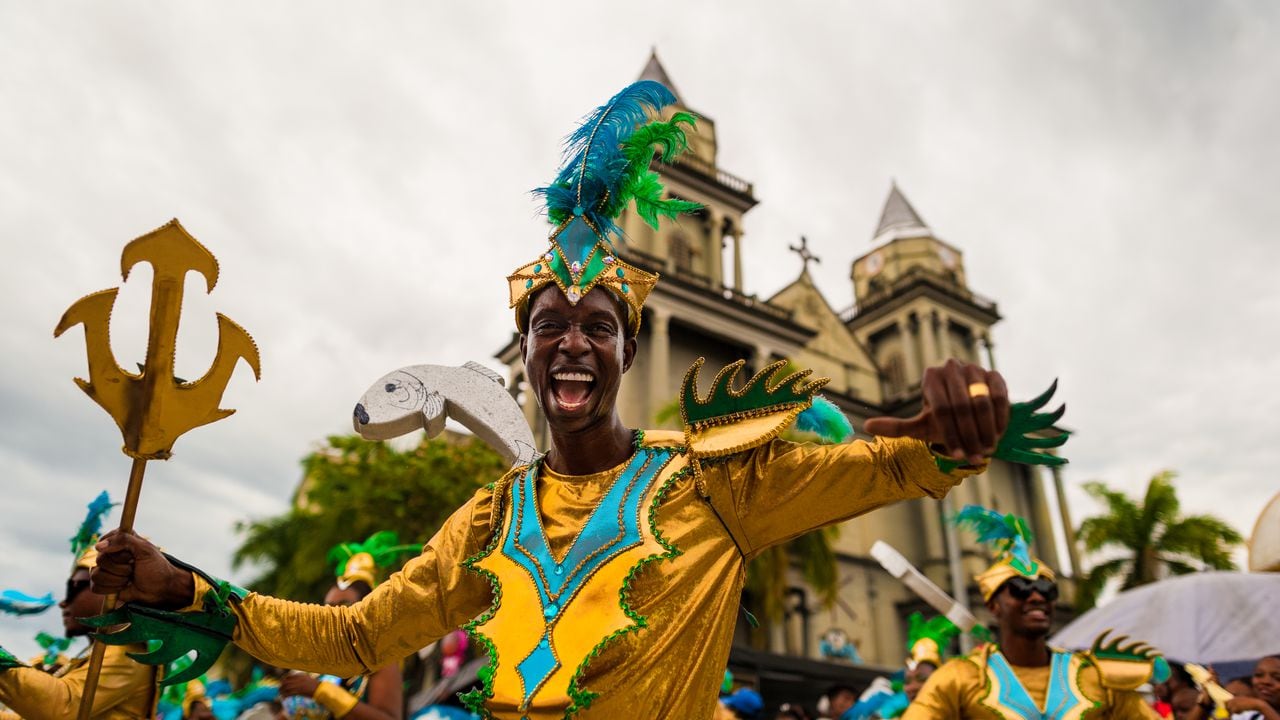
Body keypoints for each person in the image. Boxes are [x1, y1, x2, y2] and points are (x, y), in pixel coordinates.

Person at [89, 80, 1057, 720]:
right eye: (548, 324)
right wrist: (185, 587)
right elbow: (356, 636)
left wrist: (952, 422)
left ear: (628, 349)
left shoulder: (709, 481)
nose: (571, 342)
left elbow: (883, 460)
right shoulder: (490, 517)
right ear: (526, 349)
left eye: (598, 324)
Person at [904, 506, 1165, 719]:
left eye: (1045, 588)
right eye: (1019, 588)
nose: (1037, 596)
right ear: (994, 605)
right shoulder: (958, 678)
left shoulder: (1096, 676)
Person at [0, 492, 160, 719]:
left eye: (76, 587)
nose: (64, 602)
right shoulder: (100, 653)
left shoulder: (127, 655)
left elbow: (60, 707)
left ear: (115, 591)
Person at [277, 532, 409, 720]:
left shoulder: (381, 658)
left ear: (365, 610)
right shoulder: (315, 662)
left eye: (343, 606)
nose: (334, 614)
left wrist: (322, 692)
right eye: (328, 608)